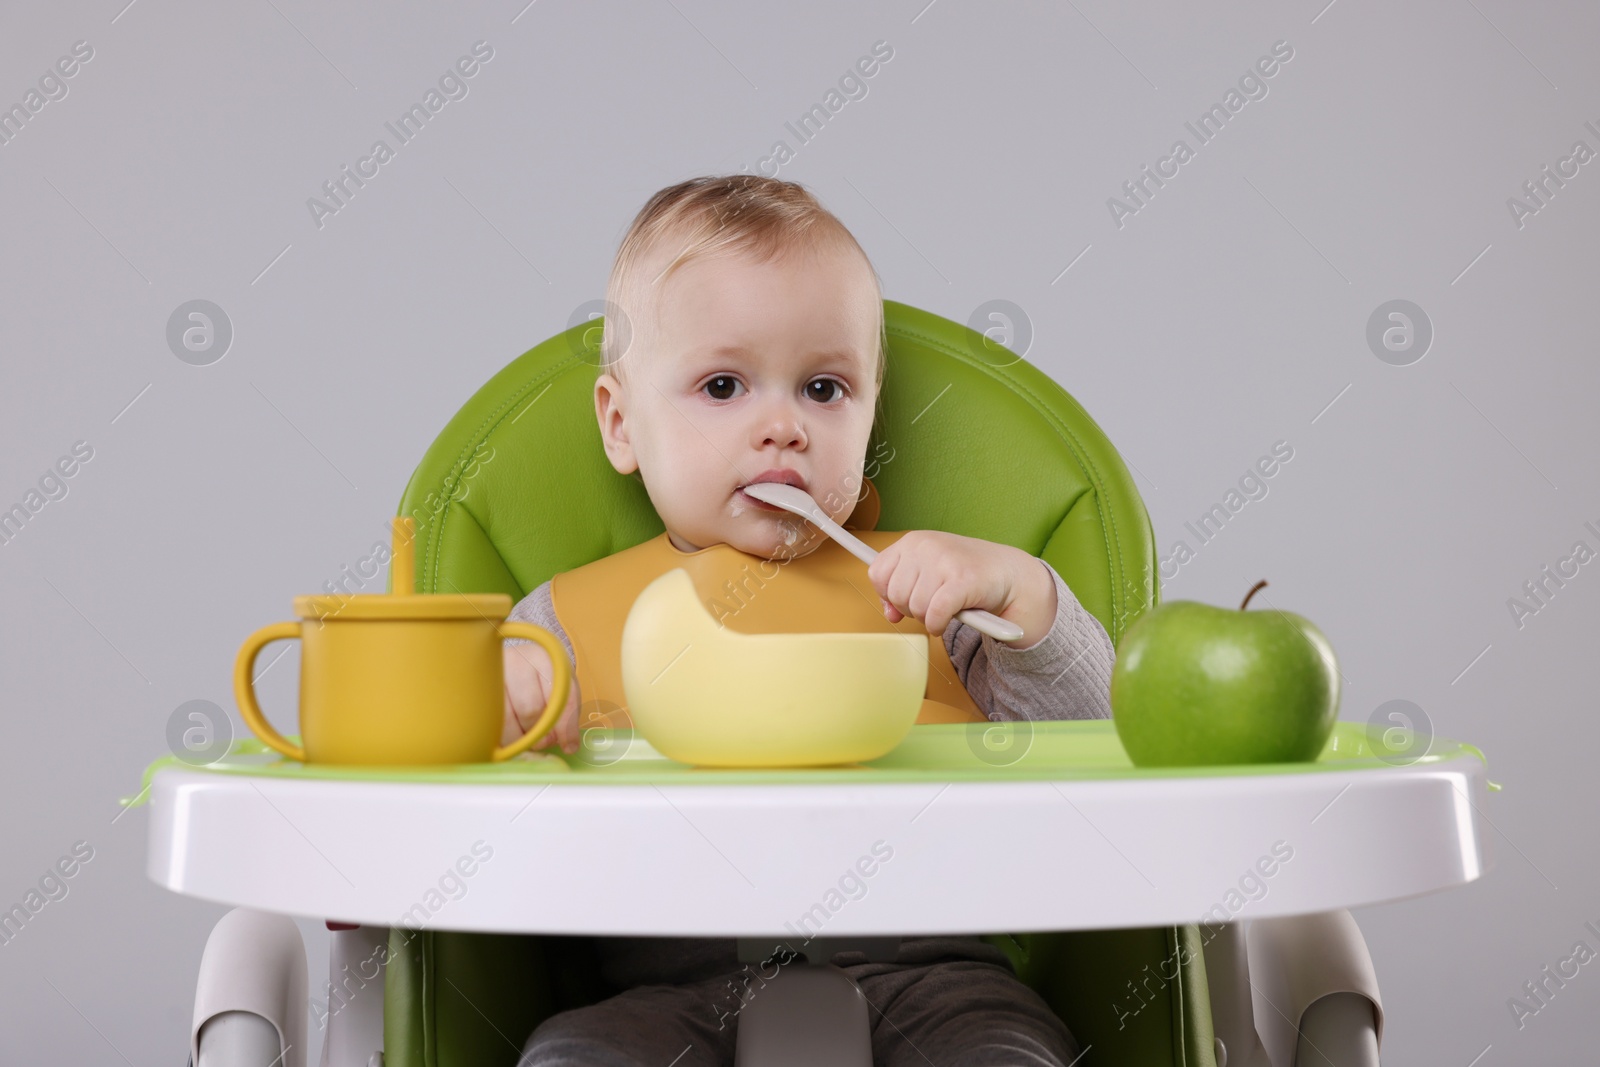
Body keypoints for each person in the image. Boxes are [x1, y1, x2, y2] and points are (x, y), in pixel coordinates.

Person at [500, 174, 1115, 1066]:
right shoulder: (556, 623)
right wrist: (491, 706)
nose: (782, 425)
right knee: (577, 1054)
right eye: (722, 385)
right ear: (621, 422)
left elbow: (1098, 760)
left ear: (869, 409)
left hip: (938, 979)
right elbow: (457, 815)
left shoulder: (938, 595)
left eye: (824, 388)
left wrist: (1026, 596)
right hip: (656, 993)